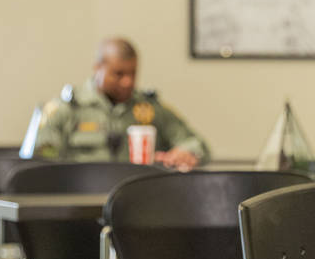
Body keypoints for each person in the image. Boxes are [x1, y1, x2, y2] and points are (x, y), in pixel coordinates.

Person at [34, 38, 209, 169]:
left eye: (133, 73)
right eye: (118, 74)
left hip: (136, 202)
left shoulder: (149, 108)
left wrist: (185, 153)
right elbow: (40, 159)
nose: (127, 82)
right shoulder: (67, 108)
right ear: (98, 68)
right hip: (79, 204)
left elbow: (196, 143)